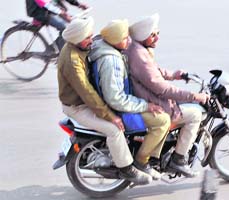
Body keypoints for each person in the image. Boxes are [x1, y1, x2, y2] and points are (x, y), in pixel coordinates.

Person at [57, 16, 152, 185]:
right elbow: (87, 93)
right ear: (77, 39)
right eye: (87, 38)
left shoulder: (76, 46)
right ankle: (127, 169)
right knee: (114, 130)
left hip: (81, 102)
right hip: (78, 107)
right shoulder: (72, 62)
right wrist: (111, 117)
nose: (91, 40)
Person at [125, 13, 210, 177]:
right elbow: (162, 89)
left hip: (145, 95)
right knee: (194, 114)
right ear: (144, 36)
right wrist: (193, 96)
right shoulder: (140, 55)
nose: (157, 38)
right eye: (153, 35)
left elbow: (153, 72)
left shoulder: (137, 49)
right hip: (152, 100)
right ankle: (178, 160)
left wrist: (173, 75)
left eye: (158, 33)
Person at [88, 19, 171, 180]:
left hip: (116, 102)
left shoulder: (108, 49)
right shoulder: (111, 61)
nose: (129, 40)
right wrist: (146, 105)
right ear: (115, 40)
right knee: (162, 121)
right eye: (125, 38)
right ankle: (142, 162)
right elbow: (116, 99)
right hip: (118, 109)